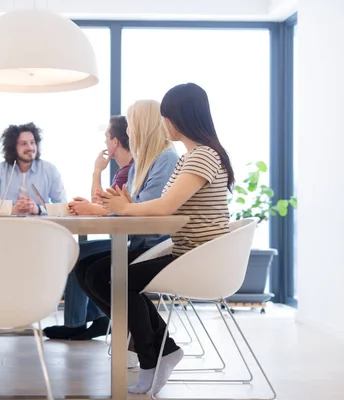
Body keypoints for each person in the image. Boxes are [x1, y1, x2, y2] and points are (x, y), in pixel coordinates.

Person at [78, 83, 234, 395]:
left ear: (177, 118)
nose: (163, 123)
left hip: (197, 257)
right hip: (186, 251)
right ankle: (162, 350)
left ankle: (153, 356)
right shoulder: (194, 155)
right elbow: (163, 206)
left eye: (165, 117)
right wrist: (127, 206)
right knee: (99, 274)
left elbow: (164, 207)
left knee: (116, 279)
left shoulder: (201, 156)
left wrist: (126, 207)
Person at [43, 103, 179, 341]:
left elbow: (144, 205)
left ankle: (147, 339)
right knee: (87, 267)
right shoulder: (142, 162)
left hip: (156, 245)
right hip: (139, 242)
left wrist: (117, 205)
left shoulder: (165, 159)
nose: (129, 133)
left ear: (142, 127)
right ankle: (142, 335)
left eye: (132, 126)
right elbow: (127, 203)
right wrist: (119, 205)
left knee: (95, 271)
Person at [0, 122, 66, 214]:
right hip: (7, 225)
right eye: (24, 144)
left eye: (32, 142)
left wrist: (38, 209)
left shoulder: (50, 169)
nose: (30, 147)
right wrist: (12, 210)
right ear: (13, 147)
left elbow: (62, 206)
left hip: (41, 226)